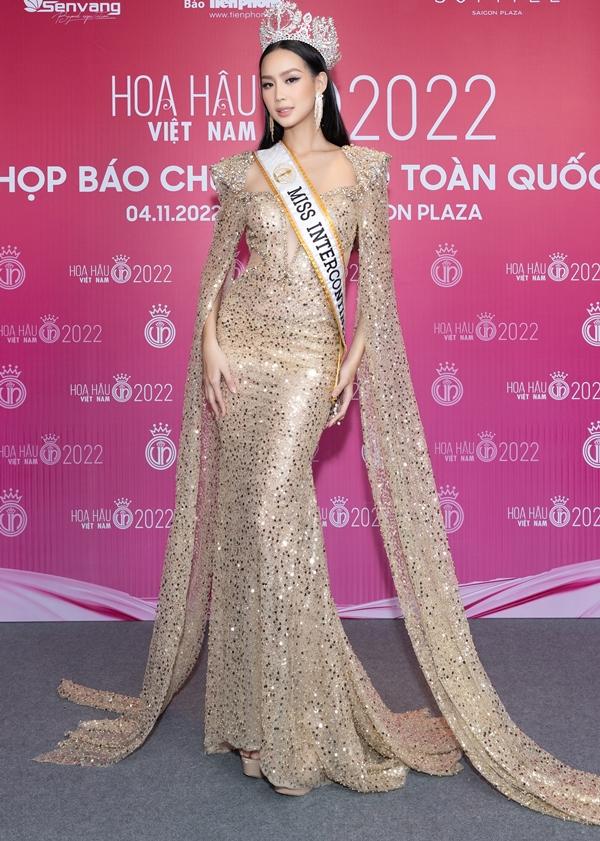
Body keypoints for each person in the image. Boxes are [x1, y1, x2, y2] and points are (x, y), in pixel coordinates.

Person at [33, 0, 600, 822]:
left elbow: (379, 291)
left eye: (291, 79)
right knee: (247, 527)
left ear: (322, 83)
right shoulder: (244, 172)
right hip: (243, 354)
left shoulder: (365, 169)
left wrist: (350, 365)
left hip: (307, 361)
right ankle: (252, 719)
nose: (278, 94)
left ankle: (295, 716)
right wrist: (210, 344)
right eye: (267, 82)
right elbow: (214, 275)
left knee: (272, 517)